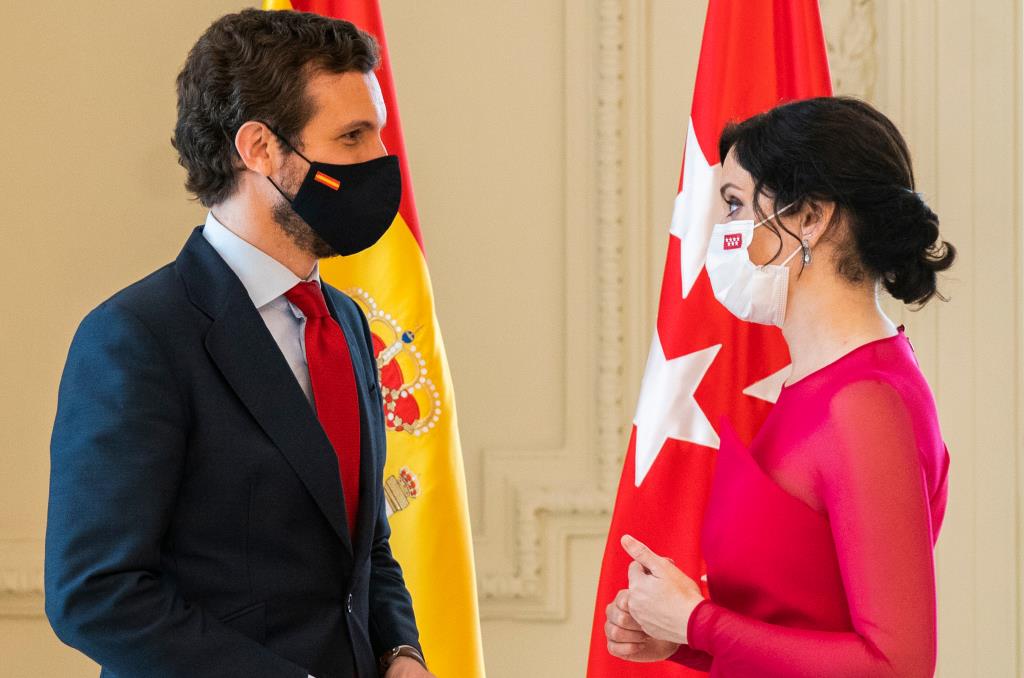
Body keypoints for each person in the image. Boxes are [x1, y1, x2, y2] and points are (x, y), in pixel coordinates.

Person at [45, 9, 433, 678]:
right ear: (259, 148)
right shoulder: (136, 338)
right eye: (352, 136)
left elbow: (365, 547)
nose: (381, 161)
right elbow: (95, 594)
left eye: (379, 134)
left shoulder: (345, 322)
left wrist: (400, 653)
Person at [604, 96, 954, 676]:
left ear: (811, 216)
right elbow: (806, 616)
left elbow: (897, 665)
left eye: (736, 205)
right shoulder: (828, 382)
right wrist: (679, 636)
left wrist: (697, 621)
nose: (722, 231)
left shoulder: (864, 401)